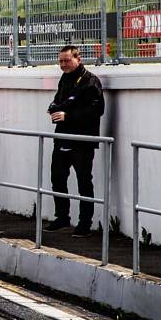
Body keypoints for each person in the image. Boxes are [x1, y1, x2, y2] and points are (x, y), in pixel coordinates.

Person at [43, 45, 105, 238]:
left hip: (82, 140)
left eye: (67, 60)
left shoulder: (90, 81)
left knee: (84, 181)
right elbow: (59, 101)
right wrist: (53, 108)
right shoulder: (65, 79)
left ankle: (85, 223)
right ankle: (62, 217)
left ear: (79, 59)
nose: (63, 64)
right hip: (62, 136)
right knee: (57, 177)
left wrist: (67, 115)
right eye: (60, 61)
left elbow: (97, 109)